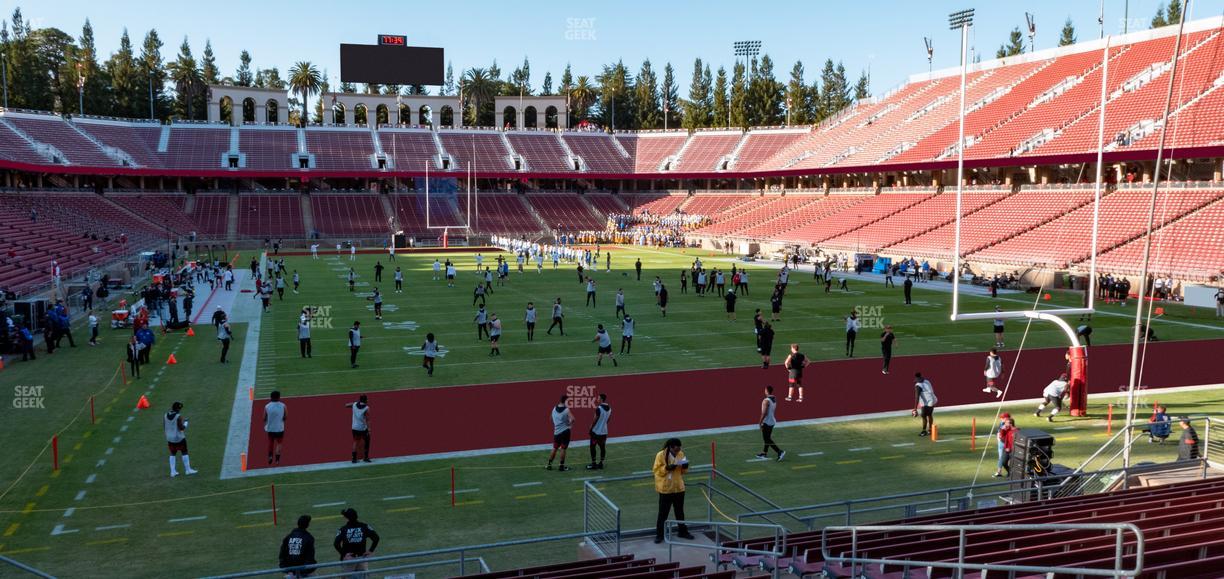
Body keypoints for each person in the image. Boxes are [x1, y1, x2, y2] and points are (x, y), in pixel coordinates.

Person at [652, 438, 695, 544]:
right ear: (670, 447)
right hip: (666, 489)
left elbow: (683, 471)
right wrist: (667, 468)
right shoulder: (660, 455)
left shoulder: (681, 454)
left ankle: (682, 531)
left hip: (679, 488)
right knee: (663, 514)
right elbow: (656, 471)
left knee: (680, 512)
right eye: (676, 449)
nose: (678, 451)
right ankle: (659, 535)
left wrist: (685, 467)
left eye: (679, 449)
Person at [333, 508, 379, 575]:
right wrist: (371, 550)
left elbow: (336, 544)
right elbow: (376, 538)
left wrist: (344, 554)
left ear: (346, 518)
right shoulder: (364, 526)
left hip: (349, 560)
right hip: (362, 558)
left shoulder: (343, 529)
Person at [164, 401, 198, 477]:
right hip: (179, 438)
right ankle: (188, 470)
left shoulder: (165, 415)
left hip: (169, 438)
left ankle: (172, 472)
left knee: (172, 453)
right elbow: (182, 428)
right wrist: (186, 422)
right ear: (177, 409)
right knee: (184, 452)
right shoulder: (178, 416)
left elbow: (165, 426)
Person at [756, 386, 786, 461]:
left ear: (766, 391)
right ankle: (764, 453)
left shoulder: (766, 401)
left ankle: (780, 452)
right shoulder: (774, 398)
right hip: (772, 421)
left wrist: (760, 422)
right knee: (767, 438)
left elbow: (764, 413)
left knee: (767, 439)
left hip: (767, 422)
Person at [547, 395, 573, 471]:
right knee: (563, 449)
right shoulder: (566, 410)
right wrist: (569, 424)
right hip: (565, 432)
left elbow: (550, 419)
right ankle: (561, 466)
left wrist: (557, 424)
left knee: (555, 448)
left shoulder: (554, 408)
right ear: (565, 401)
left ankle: (549, 465)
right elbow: (573, 419)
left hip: (557, 432)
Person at [587, 393, 611, 470]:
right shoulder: (610, 408)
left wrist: (590, 427)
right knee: (602, 447)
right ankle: (601, 463)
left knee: (592, 447)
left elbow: (595, 420)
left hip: (596, 432)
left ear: (601, 399)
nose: (597, 399)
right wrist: (603, 425)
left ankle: (594, 464)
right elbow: (608, 419)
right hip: (604, 432)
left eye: (598, 398)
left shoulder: (598, 408)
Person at [346, 395, 371, 463]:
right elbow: (367, 419)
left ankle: (354, 458)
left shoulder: (354, 404)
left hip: (354, 427)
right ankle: (366, 457)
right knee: (367, 441)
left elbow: (346, 405)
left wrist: (356, 403)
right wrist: (369, 429)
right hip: (362, 428)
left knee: (355, 441)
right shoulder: (366, 408)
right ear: (365, 400)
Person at [264, 391, 287, 465]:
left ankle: (270, 456)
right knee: (279, 443)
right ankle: (277, 460)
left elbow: (264, 418)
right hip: (280, 428)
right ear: (279, 397)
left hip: (270, 428)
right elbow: (285, 417)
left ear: (271, 397)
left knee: (271, 442)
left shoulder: (267, 406)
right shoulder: (283, 405)